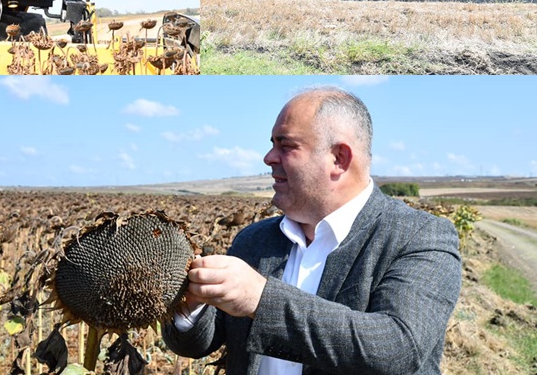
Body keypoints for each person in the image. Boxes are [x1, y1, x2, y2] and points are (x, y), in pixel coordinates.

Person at [162, 87, 462, 374]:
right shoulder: (254, 240)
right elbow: (200, 342)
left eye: (286, 145)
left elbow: (398, 348)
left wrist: (260, 298)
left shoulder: (420, 237)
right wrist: (191, 307)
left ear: (338, 159)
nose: (269, 158)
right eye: (271, 144)